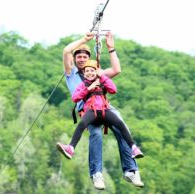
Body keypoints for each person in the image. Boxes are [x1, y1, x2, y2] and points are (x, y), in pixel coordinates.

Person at [58, 31, 144, 190]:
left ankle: (131, 170)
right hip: (87, 109)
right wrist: (84, 39)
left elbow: (116, 70)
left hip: (104, 106)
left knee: (121, 127)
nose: (82, 59)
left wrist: (111, 49)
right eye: (79, 57)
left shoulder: (94, 71)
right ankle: (97, 174)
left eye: (85, 57)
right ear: (75, 59)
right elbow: (66, 51)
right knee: (96, 134)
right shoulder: (71, 74)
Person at [57, 59, 144, 160]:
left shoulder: (102, 81)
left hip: (104, 110)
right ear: (84, 74)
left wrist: (102, 77)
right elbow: (75, 98)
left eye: (92, 71)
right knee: (82, 124)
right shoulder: (82, 85)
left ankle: (133, 147)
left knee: (120, 124)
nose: (90, 73)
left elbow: (113, 90)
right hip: (91, 110)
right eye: (87, 71)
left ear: (96, 72)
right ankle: (71, 148)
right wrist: (88, 89)